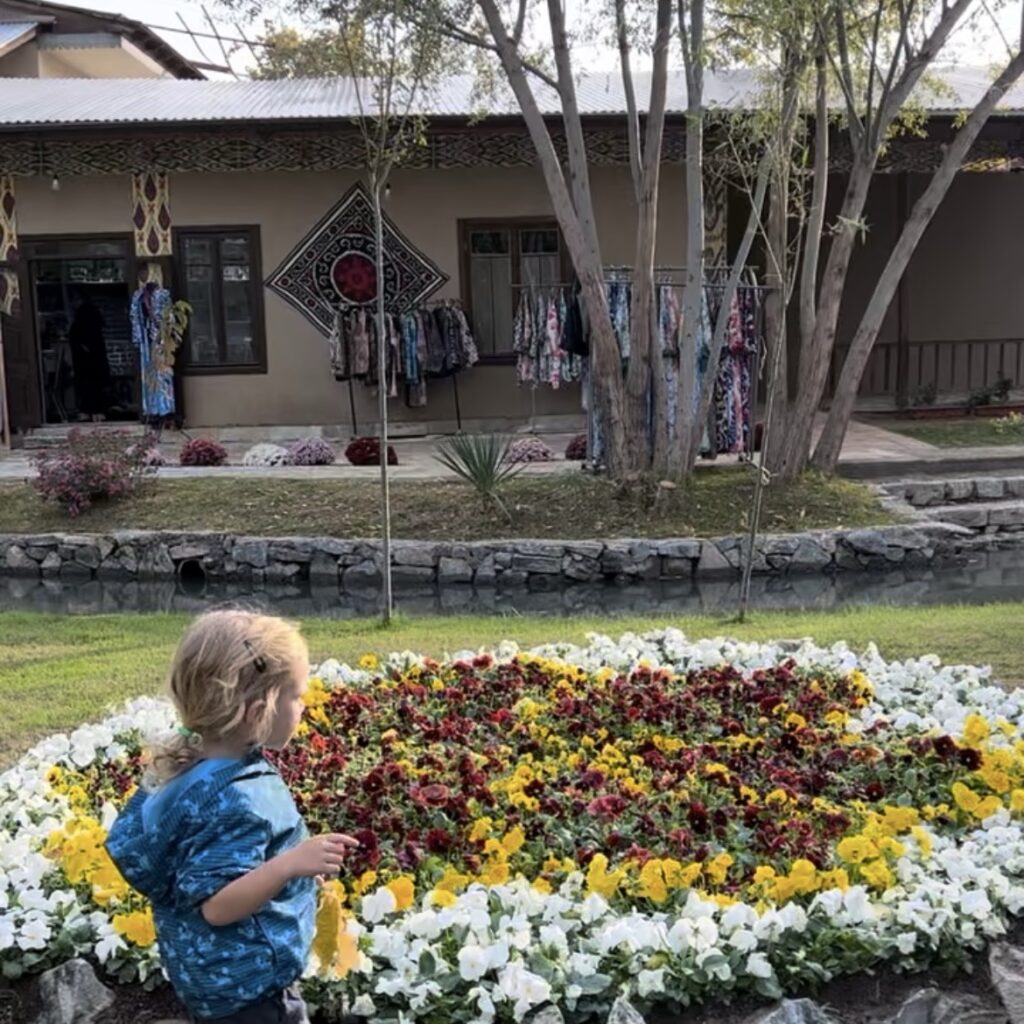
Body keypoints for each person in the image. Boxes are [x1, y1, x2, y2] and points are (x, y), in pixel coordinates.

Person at [105, 610, 358, 1023]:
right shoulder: (236, 801)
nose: (305, 704)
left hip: (210, 975)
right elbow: (217, 906)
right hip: (251, 992)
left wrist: (286, 867)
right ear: (258, 711)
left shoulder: (189, 767)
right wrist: (288, 864)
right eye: (296, 695)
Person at [67, 294, 111, 421]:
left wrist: (82, 348)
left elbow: (75, 337)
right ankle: (99, 411)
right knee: (97, 385)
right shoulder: (95, 318)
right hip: (96, 359)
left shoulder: (81, 318)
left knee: (87, 386)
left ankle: (88, 411)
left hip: (85, 361)